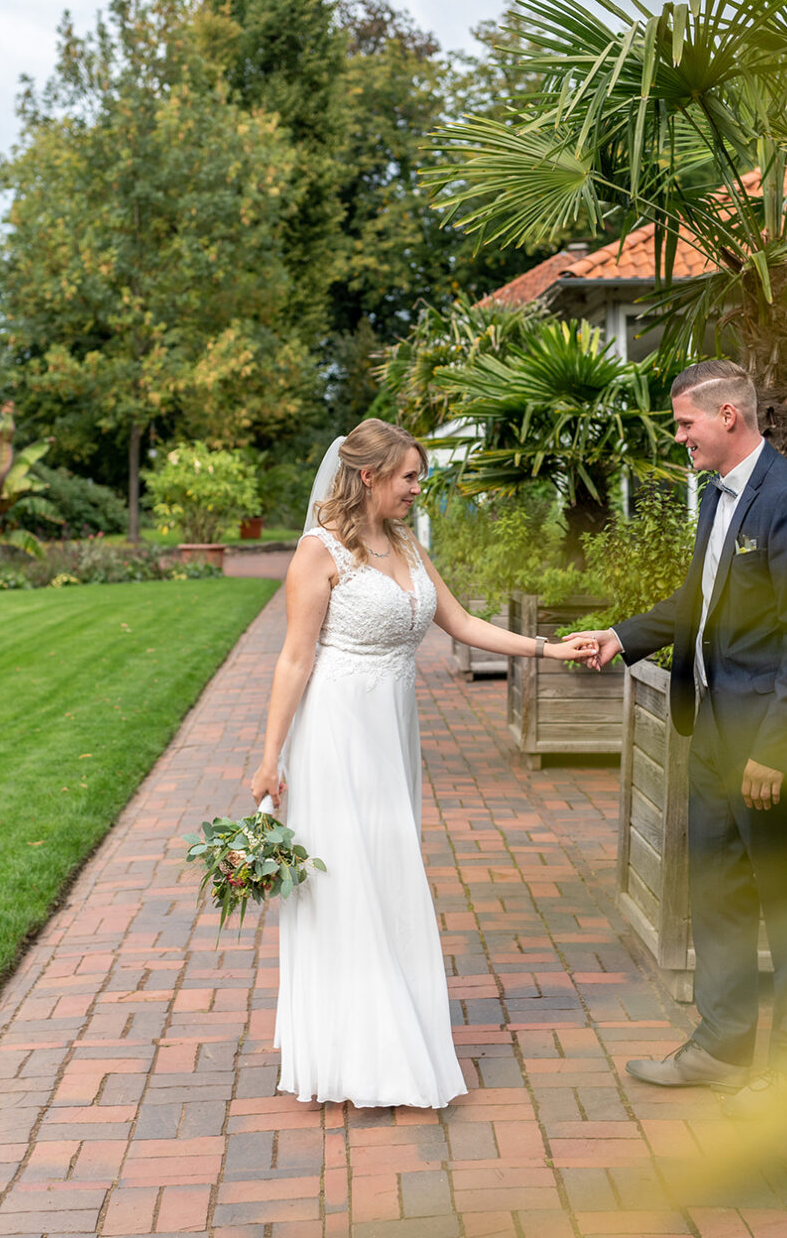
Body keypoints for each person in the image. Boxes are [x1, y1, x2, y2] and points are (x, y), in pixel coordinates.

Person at [251, 418, 597, 1110]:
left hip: (393, 732)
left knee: (390, 874)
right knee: (353, 885)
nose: (419, 487)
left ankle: (393, 1037)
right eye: (409, 476)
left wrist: (546, 650)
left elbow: (462, 624)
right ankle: (364, 1057)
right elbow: (294, 659)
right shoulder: (319, 554)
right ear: (370, 475)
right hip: (339, 734)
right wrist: (270, 760)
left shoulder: (406, 543)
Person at [571, 360, 787, 1119]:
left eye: (686, 423)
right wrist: (621, 637)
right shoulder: (717, 496)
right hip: (716, 737)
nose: (679, 436)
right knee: (719, 893)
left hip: (771, 747)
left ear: (730, 416)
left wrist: (778, 753)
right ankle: (723, 1052)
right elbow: (699, 601)